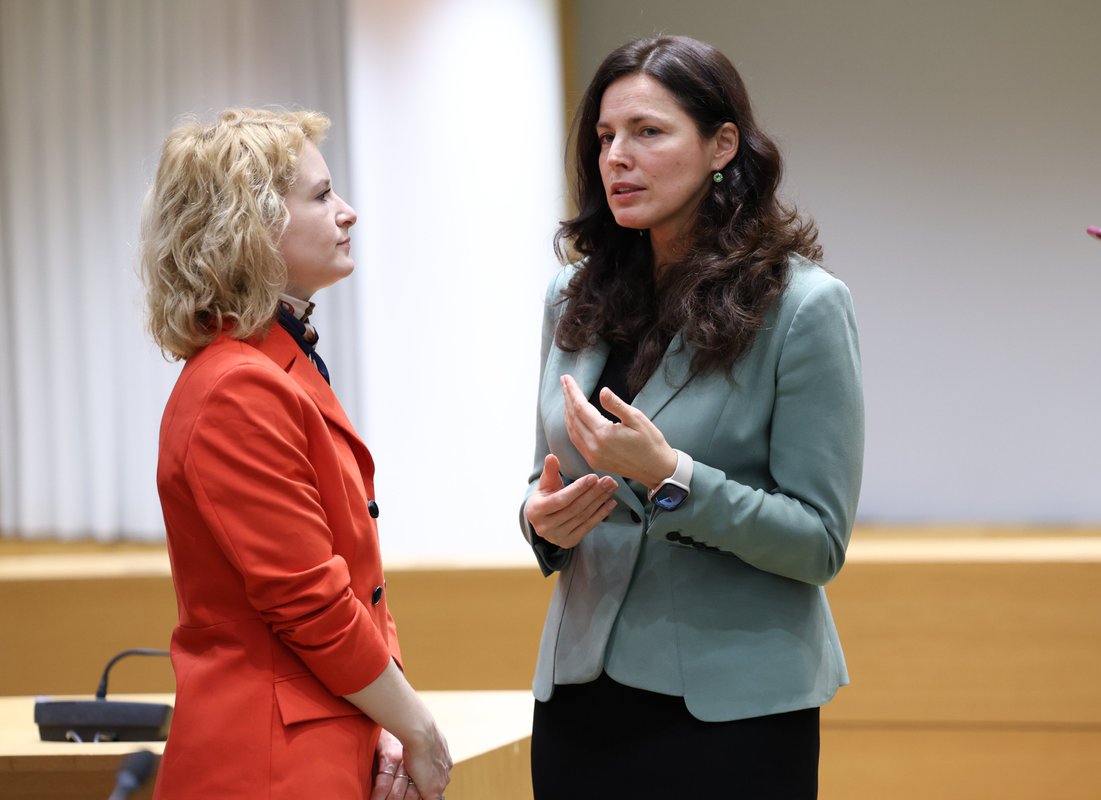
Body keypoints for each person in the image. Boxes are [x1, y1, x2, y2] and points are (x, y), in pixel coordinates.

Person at [518, 36, 865, 799]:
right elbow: (541, 479)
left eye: (647, 131)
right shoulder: (570, 295)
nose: (617, 157)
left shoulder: (803, 306)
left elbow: (819, 542)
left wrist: (671, 476)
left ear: (721, 145)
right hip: (579, 698)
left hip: (732, 710)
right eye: (605, 136)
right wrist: (540, 522)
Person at [141, 108, 450, 800]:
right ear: (249, 227)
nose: (348, 212)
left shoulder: (270, 363)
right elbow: (312, 601)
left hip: (314, 735)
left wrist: (391, 716)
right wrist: (416, 727)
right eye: (321, 195)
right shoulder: (237, 386)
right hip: (269, 760)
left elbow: (357, 585)